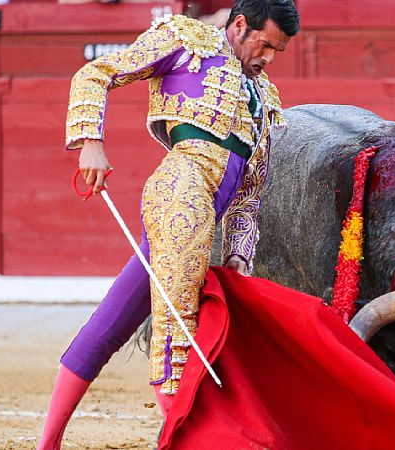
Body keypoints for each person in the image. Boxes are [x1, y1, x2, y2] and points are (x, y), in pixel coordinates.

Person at [37, 1, 299, 448]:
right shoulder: (186, 40)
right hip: (180, 194)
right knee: (178, 334)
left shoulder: (264, 97)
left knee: (112, 322)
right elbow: (95, 74)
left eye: (277, 50)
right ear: (240, 25)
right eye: (266, 44)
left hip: (206, 214)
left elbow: (250, 191)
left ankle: (47, 443)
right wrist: (91, 143)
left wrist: (238, 253)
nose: (269, 58)